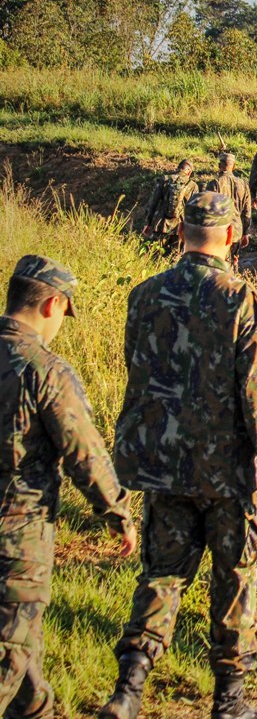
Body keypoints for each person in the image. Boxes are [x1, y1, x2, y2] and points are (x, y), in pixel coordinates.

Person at [100, 192, 257, 719]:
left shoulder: (144, 295)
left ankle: (129, 687)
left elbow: (140, 373)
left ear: (181, 232)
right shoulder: (239, 298)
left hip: (163, 465)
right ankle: (229, 703)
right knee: (234, 580)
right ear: (232, 236)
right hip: (227, 473)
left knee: (162, 575)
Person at [0, 256, 135, 719]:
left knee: (28, 680)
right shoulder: (43, 369)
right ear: (53, 303)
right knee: (10, 654)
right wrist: (117, 512)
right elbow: (84, 452)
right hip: (17, 535)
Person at [142, 160, 198, 255]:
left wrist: (148, 223)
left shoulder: (164, 179)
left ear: (178, 168)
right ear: (189, 172)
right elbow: (194, 210)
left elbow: (153, 202)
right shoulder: (193, 186)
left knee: (155, 255)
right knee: (174, 257)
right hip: (179, 228)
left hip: (160, 225)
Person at [205, 153, 252, 264]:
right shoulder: (243, 184)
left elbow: (208, 210)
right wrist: (246, 232)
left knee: (219, 263)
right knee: (234, 261)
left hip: (219, 230)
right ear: (233, 166)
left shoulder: (214, 183)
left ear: (219, 165)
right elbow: (247, 211)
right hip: (237, 230)